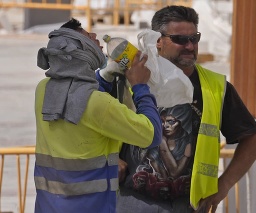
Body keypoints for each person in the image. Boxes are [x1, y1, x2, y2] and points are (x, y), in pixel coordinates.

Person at [112, 5, 256, 213]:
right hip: (133, 201)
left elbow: (253, 139)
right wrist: (111, 158)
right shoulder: (131, 79)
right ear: (158, 41)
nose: (190, 46)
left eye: (195, 38)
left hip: (189, 204)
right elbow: (91, 126)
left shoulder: (215, 87)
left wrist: (224, 185)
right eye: (181, 40)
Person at [34, 18, 162, 213]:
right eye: (87, 36)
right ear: (76, 51)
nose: (94, 36)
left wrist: (104, 77)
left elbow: (75, 97)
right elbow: (151, 135)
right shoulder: (98, 104)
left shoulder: (43, 90)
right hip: (92, 206)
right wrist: (140, 86)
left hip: (49, 206)